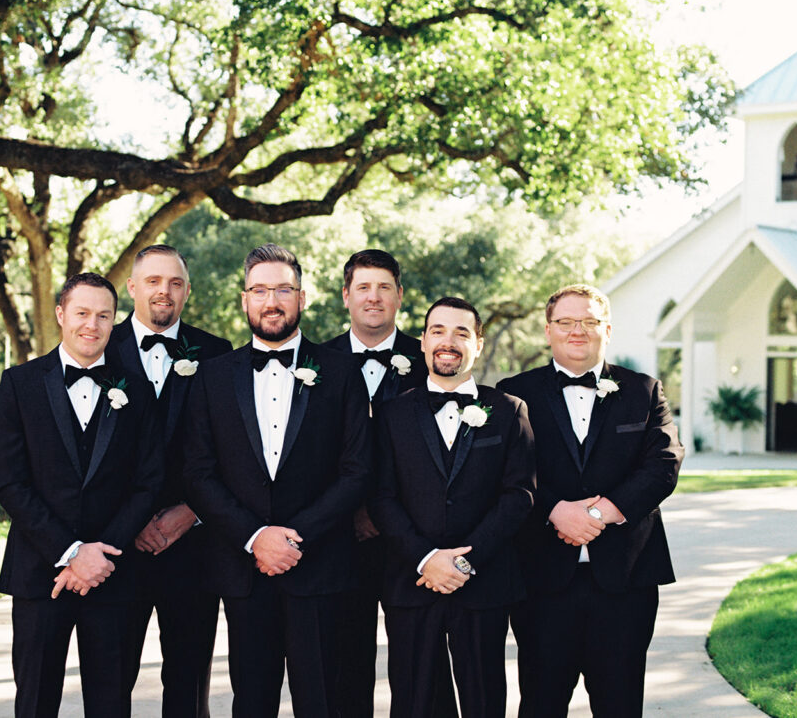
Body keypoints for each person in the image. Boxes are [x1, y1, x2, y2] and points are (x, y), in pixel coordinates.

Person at [181, 243, 372, 717]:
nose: (272, 301)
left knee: (323, 701)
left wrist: (293, 537)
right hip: (243, 570)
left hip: (322, 564)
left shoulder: (344, 372)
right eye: (260, 290)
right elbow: (198, 473)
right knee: (251, 701)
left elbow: (357, 470)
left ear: (302, 299)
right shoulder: (212, 376)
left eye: (283, 289)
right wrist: (255, 537)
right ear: (244, 299)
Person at [497, 284, 683, 718]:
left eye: (589, 321)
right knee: (541, 704)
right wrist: (554, 510)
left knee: (620, 706)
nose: (577, 330)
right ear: (548, 331)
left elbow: (663, 463)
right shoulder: (512, 393)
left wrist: (597, 514)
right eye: (565, 321)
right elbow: (504, 472)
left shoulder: (643, 390)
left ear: (608, 330)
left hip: (626, 582)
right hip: (541, 582)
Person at [0, 273, 162, 718]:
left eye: (104, 315)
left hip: (113, 573)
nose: (93, 324)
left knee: (111, 702)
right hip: (39, 572)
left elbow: (148, 483)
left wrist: (99, 556)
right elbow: (11, 482)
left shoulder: (138, 392)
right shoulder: (19, 383)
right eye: (83, 313)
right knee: (35, 700)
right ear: (62, 314)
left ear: (114, 320)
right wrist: (70, 552)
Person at [371, 296, 536, 718]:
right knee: (412, 701)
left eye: (462, 332)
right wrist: (427, 559)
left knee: (484, 701)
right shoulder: (389, 415)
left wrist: (464, 561)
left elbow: (519, 495)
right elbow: (380, 496)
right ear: (423, 342)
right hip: (412, 581)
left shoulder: (509, 410)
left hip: (484, 583)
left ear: (478, 344)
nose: (449, 341)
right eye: (438, 331)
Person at [322, 249, 458, 718]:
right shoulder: (319, 362)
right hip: (339, 538)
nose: (373, 297)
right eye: (363, 287)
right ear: (346, 296)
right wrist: (351, 511)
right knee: (343, 664)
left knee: (424, 670)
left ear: (400, 296)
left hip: (414, 539)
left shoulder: (432, 360)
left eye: (384, 287)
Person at [108, 244, 232, 718]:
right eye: (155, 281)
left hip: (195, 546)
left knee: (188, 677)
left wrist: (194, 511)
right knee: (111, 677)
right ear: (133, 287)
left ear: (186, 292)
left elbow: (232, 449)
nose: (165, 291)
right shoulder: (101, 348)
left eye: (176, 283)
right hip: (120, 544)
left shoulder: (218, 354)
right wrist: (130, 520)